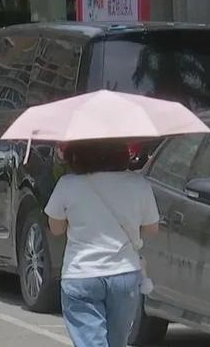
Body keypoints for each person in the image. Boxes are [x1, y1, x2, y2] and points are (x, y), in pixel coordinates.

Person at [44, 140, 160, 347]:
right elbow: (152, 229)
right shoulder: (138, 184)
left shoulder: (67, 185)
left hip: (81, 274)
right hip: (124, 274)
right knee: (117, 342)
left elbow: (56, 229)